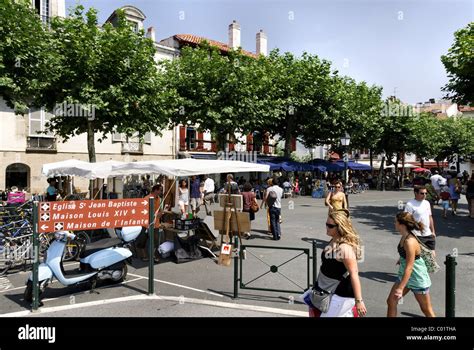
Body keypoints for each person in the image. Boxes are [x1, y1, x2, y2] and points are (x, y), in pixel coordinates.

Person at [314, 209, 366, 317]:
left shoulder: (344, 248)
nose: (327, 227)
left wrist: (359, 301)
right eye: (326, 224)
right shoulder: (333, 240)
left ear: (340, 227)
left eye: (330, 226)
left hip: (340, 296)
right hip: (328, 291)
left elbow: (354, 274)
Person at [387, 212, 435, 317]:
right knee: (391, 301)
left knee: (426, 309)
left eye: (396, 222)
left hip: (417, 278)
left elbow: (409, 267)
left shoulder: (410, 241)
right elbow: (407, 254)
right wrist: (402, 258)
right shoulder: (404, 236)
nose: (394, 223)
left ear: (402, 224)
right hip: (404, 276)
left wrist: (400, 288)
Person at [135, 184, 166, 262]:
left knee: (155, 241)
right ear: (155, 190)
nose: (160, 192)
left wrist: (161, 212)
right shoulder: (146, 198)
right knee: (143, 240)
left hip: (155, 224)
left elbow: (159, 209)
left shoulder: (159, 199)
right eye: (160, 190)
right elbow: (142, 212)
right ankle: (143, 255)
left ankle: (153, 256)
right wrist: (155, 215)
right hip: (146, 224)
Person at [403, 186, 436, 251]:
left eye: (426, 193)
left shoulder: (427, 203)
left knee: (432, 256)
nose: (424, 195)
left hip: (428, 234)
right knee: (418, 257)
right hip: (417, 235)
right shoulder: (410, 204)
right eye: (422, 193)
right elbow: (406, 220)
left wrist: (433, 231)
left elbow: (430, 217)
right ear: (415, 193)